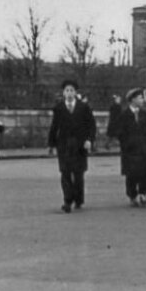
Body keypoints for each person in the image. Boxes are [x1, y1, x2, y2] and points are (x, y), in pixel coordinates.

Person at [48, 80, 97, 213]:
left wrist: (89, 140)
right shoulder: (59, 108)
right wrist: (51, 144)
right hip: (64, 144)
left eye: (71, 90)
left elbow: (91, 125)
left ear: (75, 93)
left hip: (80, 144)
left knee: (78, 173)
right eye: (67, 91)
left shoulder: (84, 107)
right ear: (63, 93)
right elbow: (54, 127)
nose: (69, 93)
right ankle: (67, 201)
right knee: (65, 173)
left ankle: (79, 199)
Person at [117, 88, 146, 207]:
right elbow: (120, 132)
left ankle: (143, 194)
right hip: (130, 150)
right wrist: (127, 144)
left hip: (143, 148)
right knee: (131, 174)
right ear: (133, 100)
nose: (142, 100)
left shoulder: (145, 114)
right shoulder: (124, 115)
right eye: (140, 98)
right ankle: (132, 195)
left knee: (145, 173)